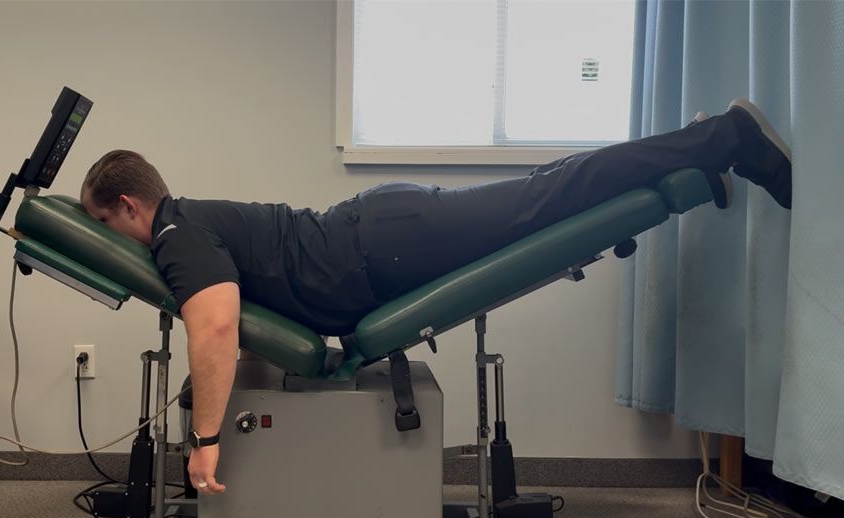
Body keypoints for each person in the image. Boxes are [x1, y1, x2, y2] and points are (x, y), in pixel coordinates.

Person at [79, 98, 792, 497]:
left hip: (389, 241)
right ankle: (699, 169)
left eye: (107, 226)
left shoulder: (175, 229)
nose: (118, 243)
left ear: (128, 203)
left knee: (558, 191)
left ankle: (724, 136)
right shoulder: (185, 222)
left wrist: (204, 444)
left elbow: (215, 327)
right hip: (383, 238)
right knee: (555, 195)